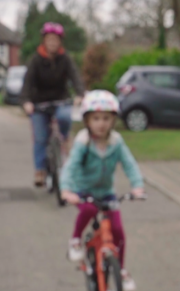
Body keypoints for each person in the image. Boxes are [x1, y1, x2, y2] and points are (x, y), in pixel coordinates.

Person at [60, 90, 145, 291]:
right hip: (83, 191)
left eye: (106, 118)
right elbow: (70, 166)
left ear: (113, 120)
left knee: (117, 231)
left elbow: (129, 164)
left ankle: (122, 270)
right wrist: (66, 190)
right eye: (96, 118)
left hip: (107, 193)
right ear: (87, 120)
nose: (101, 123)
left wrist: (137, 186)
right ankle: (75, 241)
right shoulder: (83, 141)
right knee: (89, 210)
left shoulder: (116, 142)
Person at [20, 22, 85, 187]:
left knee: (64, 117)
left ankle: (64, 139)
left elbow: (75, 76)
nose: (52, 43)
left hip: (60, 100)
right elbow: (27, 83)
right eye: (49, 40)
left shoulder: (65, 58)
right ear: (44, 41)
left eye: (55, 40)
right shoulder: (36, 59)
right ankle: (40, 170)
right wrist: (26, 101)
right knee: (40, 137)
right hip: (39, 103)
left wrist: (79, 94)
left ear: (60, 42)